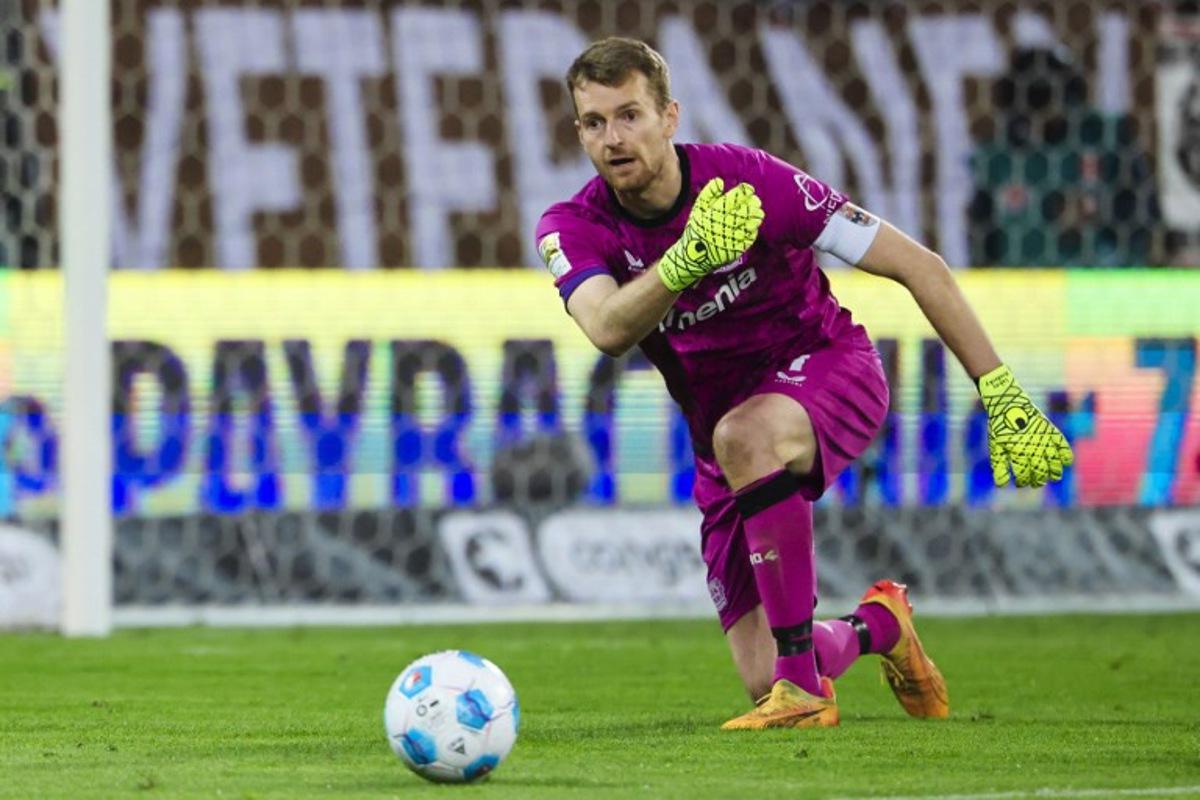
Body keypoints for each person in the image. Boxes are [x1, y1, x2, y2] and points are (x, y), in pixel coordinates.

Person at [535, 37, 1073, 730]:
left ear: (670, 117)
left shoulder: (750, 185)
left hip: (830, 367)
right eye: (594, 122)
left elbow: (921, 266)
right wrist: (684, 262)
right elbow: (606, 329)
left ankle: (805, 690)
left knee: (747, 435)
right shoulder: (572, 226)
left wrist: (999, 392)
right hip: (721, 441)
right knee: (759, 670)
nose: (614, 138)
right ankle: (879, 626)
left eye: (630, 115)